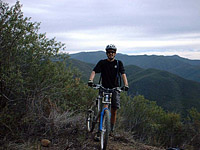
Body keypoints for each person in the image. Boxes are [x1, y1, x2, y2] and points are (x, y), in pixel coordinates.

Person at [88, 44, 129, 140]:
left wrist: (126, 84)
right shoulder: (102, 63)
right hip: (104, 88)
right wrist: (90, 80)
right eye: (109, 52)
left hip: (115, 89)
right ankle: (99, 132)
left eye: (113, 52)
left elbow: (123, 74)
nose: (111, 54)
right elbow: (94, 71)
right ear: (106, 53)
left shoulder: (119, 63)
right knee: (104, 109)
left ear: (115, 53)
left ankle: (111, 130)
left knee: (114, 110)